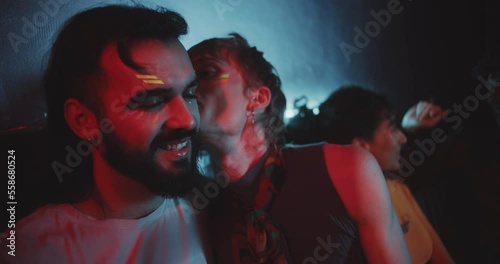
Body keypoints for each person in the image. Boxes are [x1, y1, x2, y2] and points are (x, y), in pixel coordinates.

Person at [0, 5, 209, 263]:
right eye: (151, 101)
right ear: (84, 121)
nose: (187, 120)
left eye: (189, 94)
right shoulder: (26, 251)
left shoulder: (223, 219)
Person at [188, 33, 410, 263]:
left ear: (257, 98)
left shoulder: (345, 168)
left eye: (206, 72)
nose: (188, 89)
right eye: (184, 82)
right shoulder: (200, 211)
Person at [317, 86, 454, 264]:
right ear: (360, 146)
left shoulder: (396, 187)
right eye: (392, 129)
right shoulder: (346, 231)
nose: (402, 139)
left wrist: (408, 128)